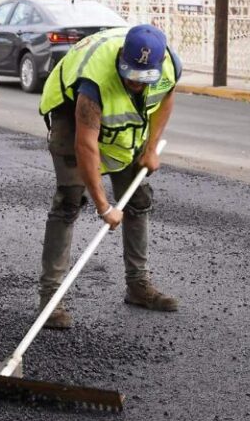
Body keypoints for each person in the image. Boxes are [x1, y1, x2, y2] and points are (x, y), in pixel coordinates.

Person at [37, 24, 183, 329]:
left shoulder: (169, 67)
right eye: (131, 76)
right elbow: (86, 145)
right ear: (121, 59)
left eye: (144, 80)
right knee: (69, 200)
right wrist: (103, 206)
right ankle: (50, 299)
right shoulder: (94, 81)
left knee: (137, 197)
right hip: (70, 110)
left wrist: (151, 148)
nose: (137, 84)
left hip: (122, 123)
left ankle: (138, 286)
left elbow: (166, 97)